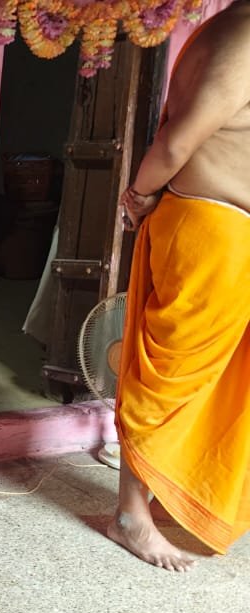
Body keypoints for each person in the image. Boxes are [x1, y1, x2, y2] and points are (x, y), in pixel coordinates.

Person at [111, 2, 250, 571]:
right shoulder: (242, 35)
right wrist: (140, 193)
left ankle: (166, 488)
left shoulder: (227, 28)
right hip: (213, 227)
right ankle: (129, 514)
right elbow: (176, 140)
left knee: (209, 375)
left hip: (224, 228)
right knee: (172, 372)